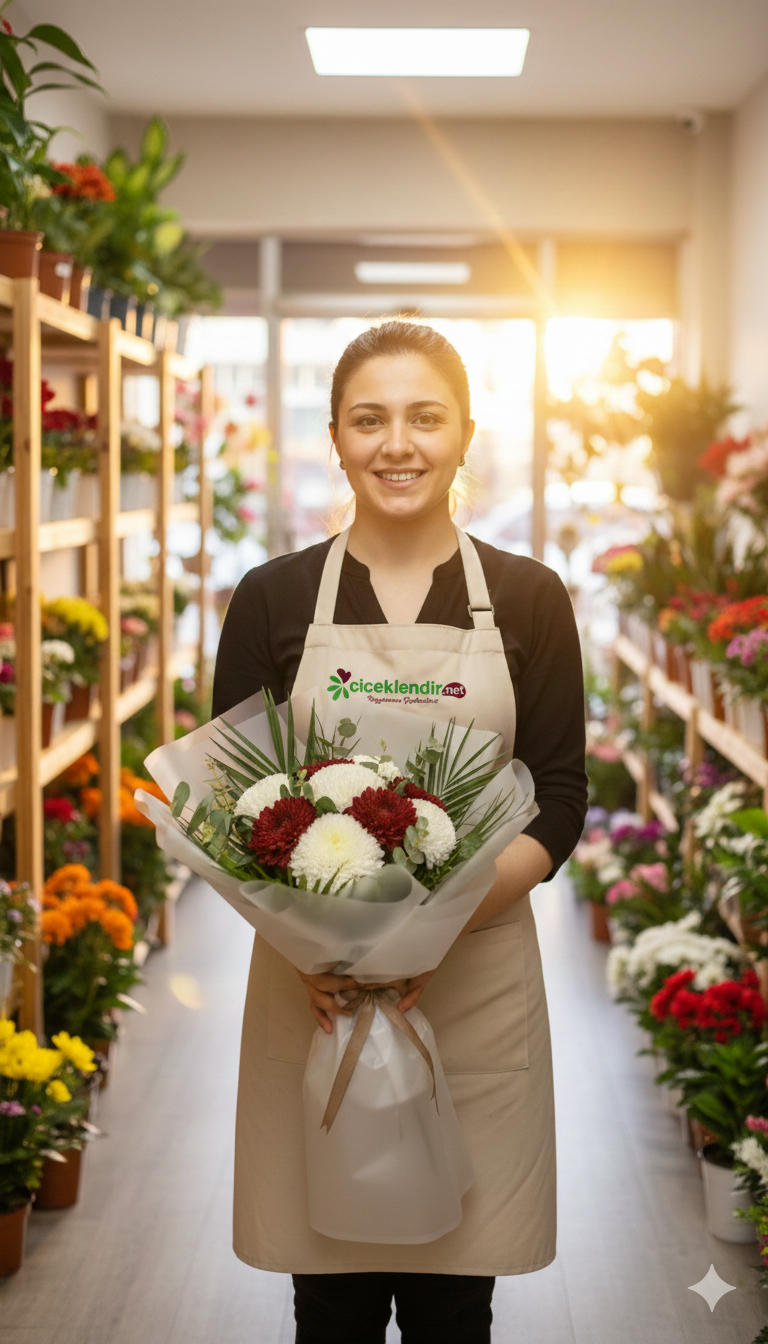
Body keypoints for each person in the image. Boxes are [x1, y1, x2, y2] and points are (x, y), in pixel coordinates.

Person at [211, 320, 588, 1344]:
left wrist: (434, 924)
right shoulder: (274, 598)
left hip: (475, 990)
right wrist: (327, 949)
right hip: (317, 995)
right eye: (370, 419)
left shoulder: (528, 600)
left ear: (465, 432)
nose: (398, 443)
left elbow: (559, 795)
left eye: (425, 417)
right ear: (335, 436)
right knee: (328, 1298)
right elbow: (221, 804)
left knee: (455, 1298)